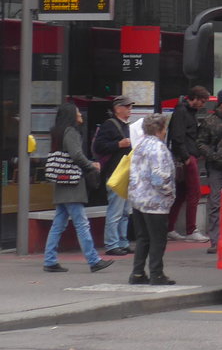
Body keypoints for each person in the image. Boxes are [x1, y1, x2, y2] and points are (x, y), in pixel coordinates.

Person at [42, 101, 114, 274]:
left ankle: (50, 260)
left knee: (58, 223)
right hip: (72, 184)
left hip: (62, 182)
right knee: (82, 223)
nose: (81, 115)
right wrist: (91, 165)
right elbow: (76, 155)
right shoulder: (71, 132)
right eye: (78, 112)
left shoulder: (58, 132)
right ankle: (93, 260)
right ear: (71, 116)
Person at [129, 113, 176, 285]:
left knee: (143, 237)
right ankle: (156, 273)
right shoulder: (158, 148)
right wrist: (169, 192)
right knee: (158, 238)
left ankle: (137, 273)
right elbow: (159, 177)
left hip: (137, 198)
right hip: (155, 201)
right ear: (159, 129)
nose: (165, 131)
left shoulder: (140, 145)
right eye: (164, 127)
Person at [94, 95, 135, 255]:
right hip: (114, 173)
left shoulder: (128, 126)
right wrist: (118, 144)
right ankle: (111, 244)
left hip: (125, 173)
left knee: (125, 211)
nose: (130, 109)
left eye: (130, 106)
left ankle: (122, 242)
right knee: (116, 210)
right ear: (118, 108)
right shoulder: (109, 125)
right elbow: (99, 146)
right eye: (127, 106)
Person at [167, 86, 208, 242]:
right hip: (187, 157)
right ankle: (191, 229)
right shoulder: (183, 112)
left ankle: (170, 228)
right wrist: (186, 158)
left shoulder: (183, 111)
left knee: (181, 194)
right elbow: (178, 137)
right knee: (194, 193)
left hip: (186, 156)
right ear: (195, 98)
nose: (203, 105)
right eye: (202, 101)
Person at [198, 88, 222, 254]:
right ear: (220, 102)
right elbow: (200, 143)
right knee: (215, 202)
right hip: (216, 167)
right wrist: (212, 155)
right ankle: (215, 240)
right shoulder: (209, 121)